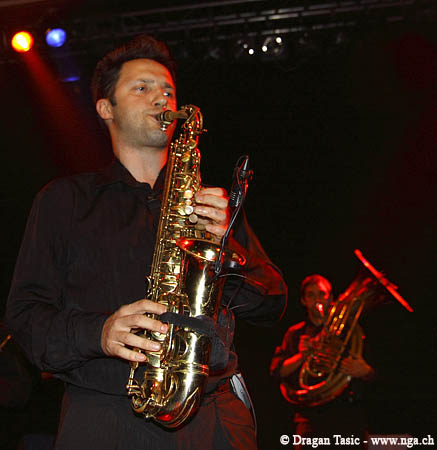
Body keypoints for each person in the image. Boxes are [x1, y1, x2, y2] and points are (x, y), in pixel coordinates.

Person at [6, 34, 287, 450]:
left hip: (216, 417)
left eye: (168, 91)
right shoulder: (64, 200)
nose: (161, 98)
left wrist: (228, 249)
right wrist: (99, 332)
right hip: (106, 417)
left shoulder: (210, 205)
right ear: (106, 108)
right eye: (142, 88)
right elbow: (25, 316)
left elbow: (272, 303)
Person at [270, 274, 374, 449]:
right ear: (304, 301)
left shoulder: (351, 331)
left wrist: (365, 371)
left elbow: (377, 373)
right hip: (310, 419)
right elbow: (276, 371)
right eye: (311, 295)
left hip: (348, 416)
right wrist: (302, 356)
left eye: (322, 294)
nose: (317, 300)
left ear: (331, 298)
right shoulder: (295, 333)